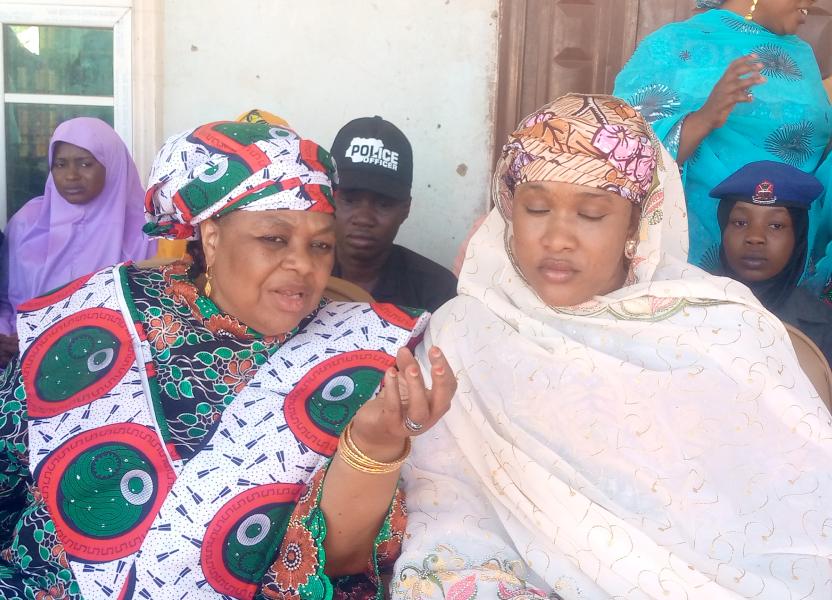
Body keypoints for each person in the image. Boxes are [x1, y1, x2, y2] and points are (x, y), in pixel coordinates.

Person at [391, 94, 832, 599]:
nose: (556, 238)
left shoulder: (721, 329)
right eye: (536, 208)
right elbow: (447, 499)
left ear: (637, 223)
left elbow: (796, 507)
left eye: (592, 214)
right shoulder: (466, 331)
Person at [0, 120, 456, 599]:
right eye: (274, 240)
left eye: (321, 244)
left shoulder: (360, 351)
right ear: (212, 238)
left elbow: (338, 564)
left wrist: (376, 446)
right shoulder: (102, 314)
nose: (304, 264)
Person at [613, 0, 831, 276]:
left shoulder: (801, 56)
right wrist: (704, 119)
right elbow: (622, 155)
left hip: (792, 256)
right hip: (696, 251)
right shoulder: (672, 45)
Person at [0, 117, 156, 363]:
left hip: (113, 369)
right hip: (23, 366)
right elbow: (4, 301)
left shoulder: (146, 233)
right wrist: (5, 336)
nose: (71, 175)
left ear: (112, 165)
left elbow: (154, 317)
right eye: (60, 164)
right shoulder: (28, 223)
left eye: (85, 164)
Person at [707, 160, 832, 363]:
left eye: (776, 225)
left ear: (798, 237)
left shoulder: (824, 326)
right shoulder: (686, 307)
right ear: (723, 229)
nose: (755, 237)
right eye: (740, 222)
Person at [330, 116, 457, 311]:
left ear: (405, 209)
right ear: (328, 199)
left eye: (383, 204)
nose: (364, 219)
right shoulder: (297, 276)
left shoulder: (437, 291)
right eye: (350, 200)